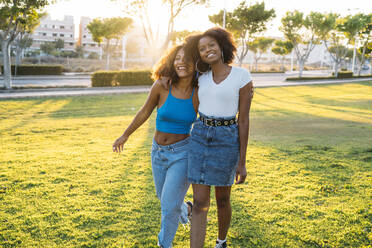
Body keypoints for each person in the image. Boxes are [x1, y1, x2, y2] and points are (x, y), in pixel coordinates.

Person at [112, 44, 198, 248]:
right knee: (164, 198)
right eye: (177, 58)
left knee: (168, 207)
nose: (181, 62)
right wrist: (125, 135)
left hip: (182, 154)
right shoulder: (162, 85)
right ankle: (187, 209)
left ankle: (163, 244)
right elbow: (144, 111)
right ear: (171, 60)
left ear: (196, 64)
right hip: (157, 151)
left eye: (186, 59)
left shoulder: (198, 92)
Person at [184, 28, 253, 248]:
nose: (207, 50)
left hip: (227, 138)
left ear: (222, 46)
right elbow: (178, 75)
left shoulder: (242, 76)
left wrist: (242, 162)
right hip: (200, 136)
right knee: (200, 201)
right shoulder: (200, 78)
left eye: (211, 45)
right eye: (202, 49)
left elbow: (243, 120)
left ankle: (221, 242)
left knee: (223, 199)